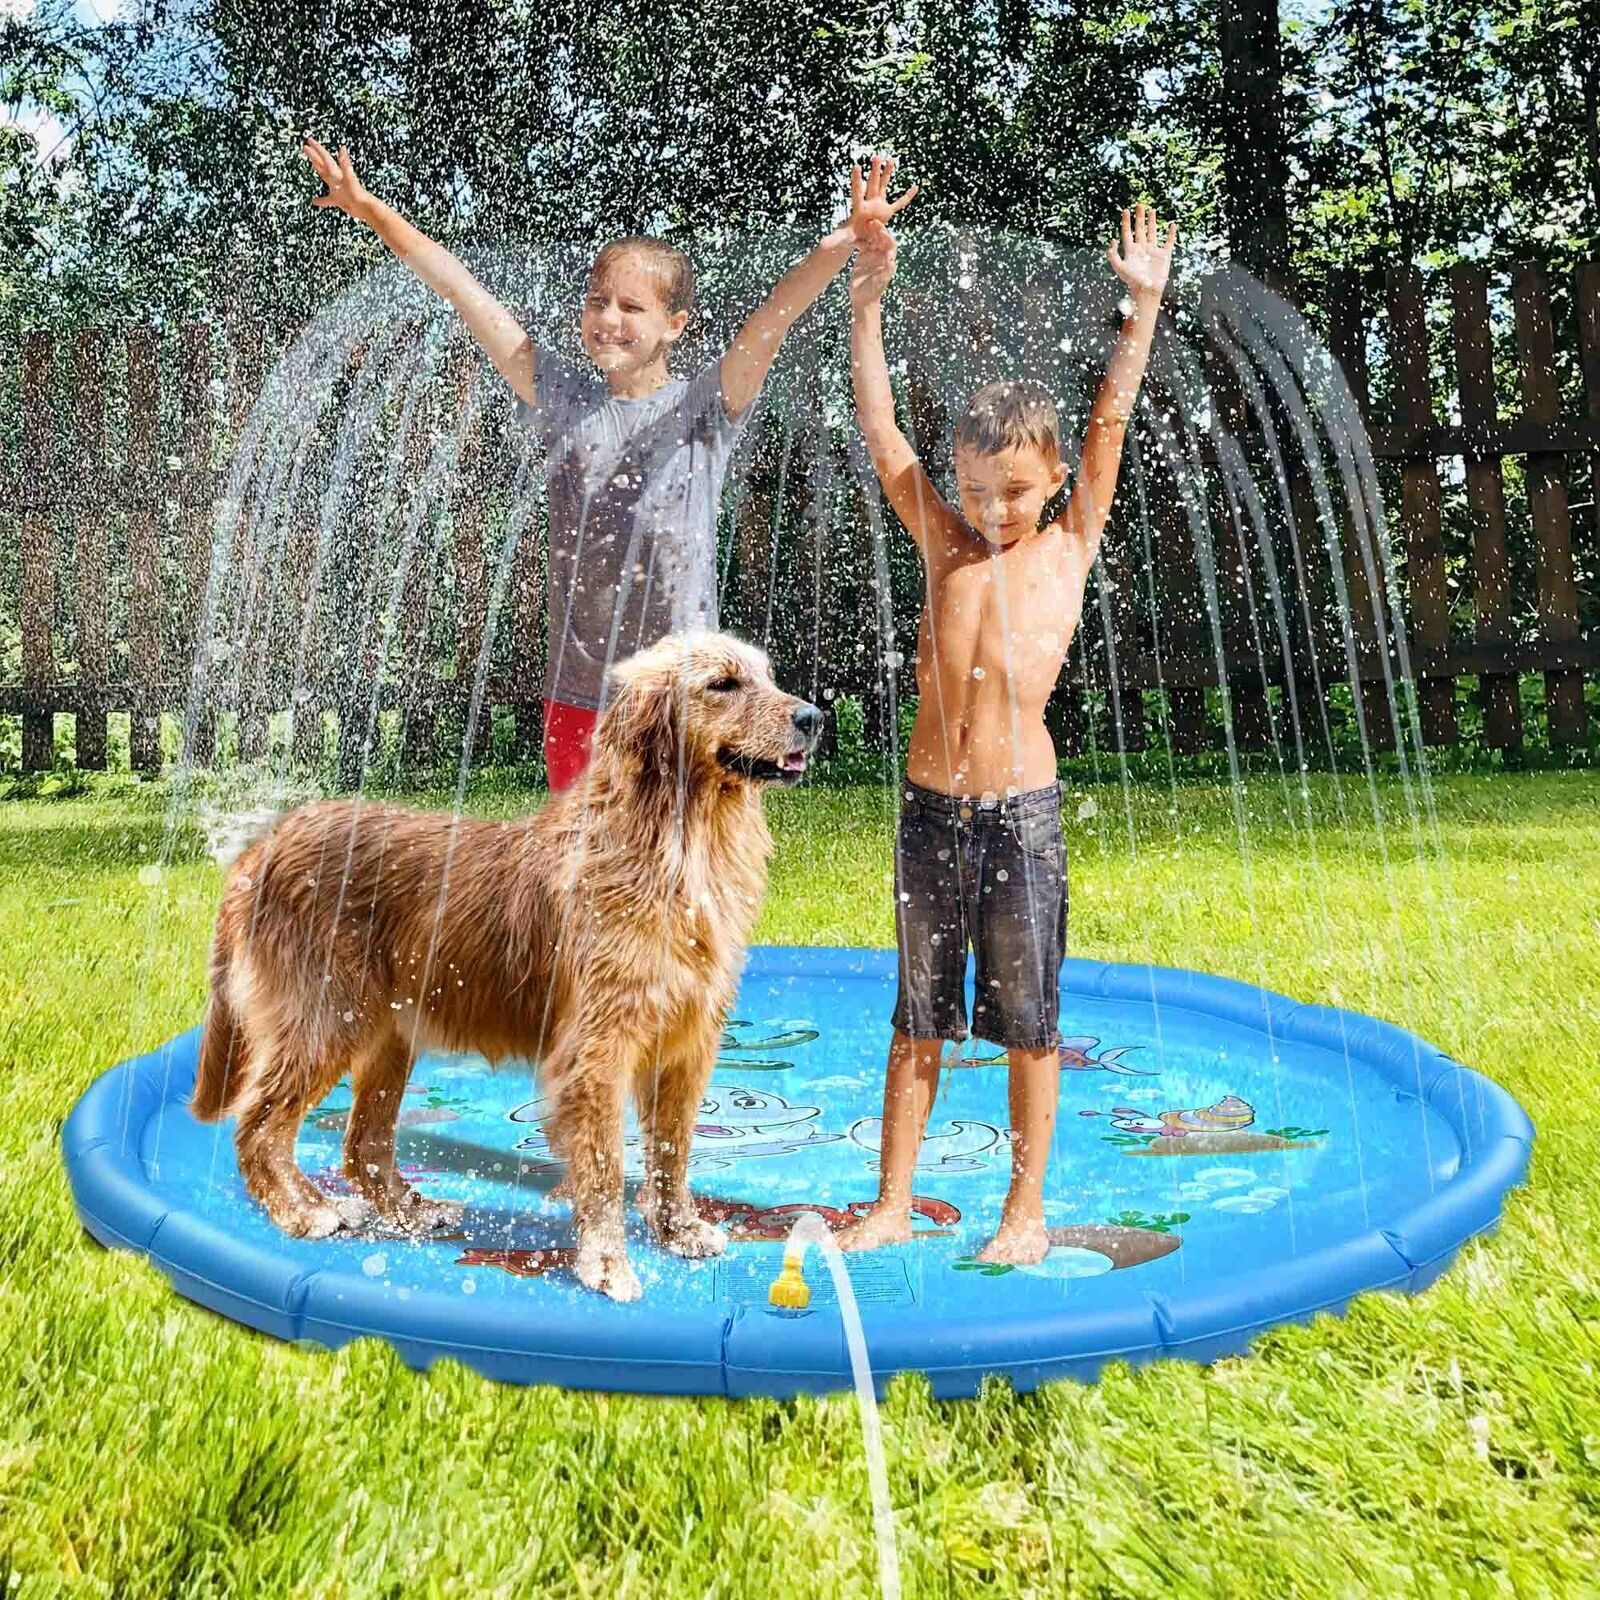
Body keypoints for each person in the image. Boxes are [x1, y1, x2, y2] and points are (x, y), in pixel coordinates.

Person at [300, 139, 916, 787]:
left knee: (683, 848)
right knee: (581, 849)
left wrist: (843, 240)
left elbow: (774, 318)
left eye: (631, 307)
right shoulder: (563, 401)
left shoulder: (705, 408)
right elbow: (464, 292)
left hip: (687, 701)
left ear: (675, 324)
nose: (608, 319)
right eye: (598, 302)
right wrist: (370, 209)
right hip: (580, 697)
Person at [838, 191, 1177, 1263]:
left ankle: (1022, 1214)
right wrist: (867, 300)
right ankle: (892, 1203)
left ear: (1055, 482)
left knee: (1030, 1024)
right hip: (929, 815)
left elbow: (1109, 424)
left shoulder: (1068, 545)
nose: (994, 510)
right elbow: (882, 432)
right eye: (978, 490)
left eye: (1016, 491)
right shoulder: (944, 544)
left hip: (1022, 819)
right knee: (917, 1018)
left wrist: (1141, 308)